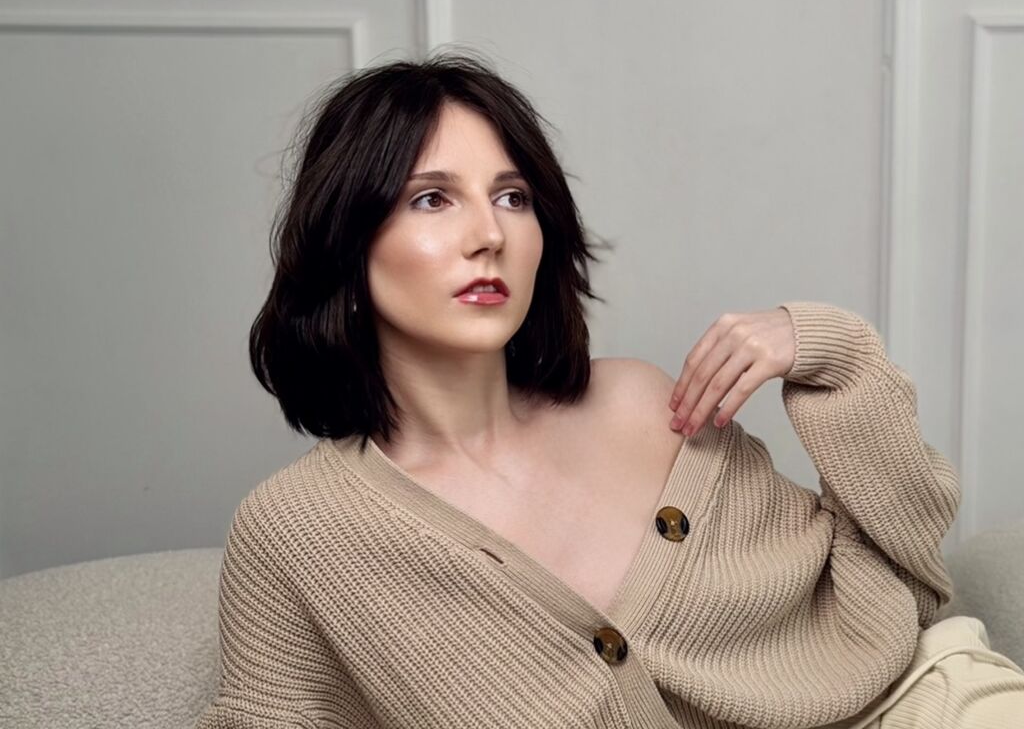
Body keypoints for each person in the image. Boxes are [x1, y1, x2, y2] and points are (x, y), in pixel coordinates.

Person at [195, 52, 1024, 728]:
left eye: (512, 197)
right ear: (347, 237)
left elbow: (903, 576)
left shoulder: (642, 406)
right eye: (432, 199)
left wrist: (824, 353)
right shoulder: (300, 529)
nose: (489, 234)